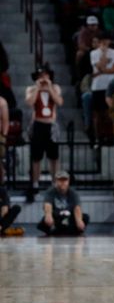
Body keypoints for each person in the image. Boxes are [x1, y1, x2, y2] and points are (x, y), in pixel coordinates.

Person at [25, 64, 63, 203]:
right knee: (36, 157)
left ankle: (55, 183)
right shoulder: (31, 89)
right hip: (38, 124)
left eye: (46, 75)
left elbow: (59, 101)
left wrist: (49, 87)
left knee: (54, 157)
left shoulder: (55, 88)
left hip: (50, 124)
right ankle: (35, 183)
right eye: (41, 76)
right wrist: (38, 88)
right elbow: (30, 102)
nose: (43, 78)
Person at [37, 170, 89, 236]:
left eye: (65, 180)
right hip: (56, 218)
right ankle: (66, 231)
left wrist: (79, 221)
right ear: (56, 181)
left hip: (69, 217)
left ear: (68, 181)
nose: (63, 182)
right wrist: (48, 215)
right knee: (44, 222)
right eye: (60, 180)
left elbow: (77, 207)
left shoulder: (73, 193)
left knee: (85, 217)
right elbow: (47, 205)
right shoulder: (50, 191)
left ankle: (60, 231)